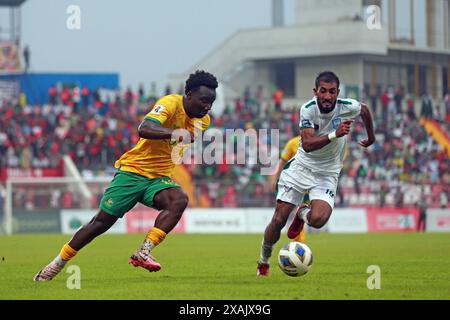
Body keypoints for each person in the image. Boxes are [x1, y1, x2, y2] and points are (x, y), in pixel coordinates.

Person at [34, 70, 219, 281]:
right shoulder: (170, 103)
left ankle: (144, 252)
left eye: (211, 102)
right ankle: (57, 264)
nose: (207, 107)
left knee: (179, 200)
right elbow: (145, 128)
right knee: (100, 224)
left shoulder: (203, 121)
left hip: (158, 178)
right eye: (204, 100)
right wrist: (173, 133)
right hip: (133, 172)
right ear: (189, 94)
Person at [257, 71, 375, 276]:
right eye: (323, 91)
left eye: (332, 92)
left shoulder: (347, 106)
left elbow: (364, 110)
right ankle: (263, 261)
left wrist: (371, 137)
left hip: (327, 173)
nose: (328, 96)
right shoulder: (308, 110)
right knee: (278, 221)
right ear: (315, 91)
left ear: (338, 92)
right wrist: (334, 134)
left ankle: (302, 212)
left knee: (319, 220)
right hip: (301, 168)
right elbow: (309, 144)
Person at [269, 134, 307, 243]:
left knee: (301, 210)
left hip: (309, 182)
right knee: (285, 212)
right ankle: (298, 240)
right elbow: (282, 161)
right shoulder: (292, 143)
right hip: (292, 182)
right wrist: (275, 179)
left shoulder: (317, 142)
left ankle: (299, 240)